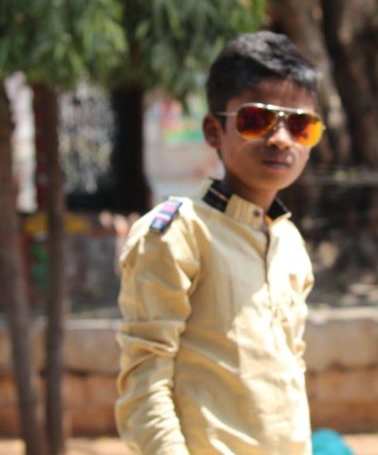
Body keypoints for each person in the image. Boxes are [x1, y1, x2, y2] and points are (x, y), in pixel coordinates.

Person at [115, 31, 324, 455]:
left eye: (300, 125)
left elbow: (290, 369)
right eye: (257, 120)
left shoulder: (289, 242)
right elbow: (145, 378)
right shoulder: (179, 233)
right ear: (214, 130)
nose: (281, 139)